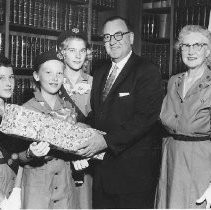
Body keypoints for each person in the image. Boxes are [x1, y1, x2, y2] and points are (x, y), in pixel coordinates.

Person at [75, 16, 163, 209]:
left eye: (118, 35)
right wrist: (85, 125)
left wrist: (106, 140)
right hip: (102, 173)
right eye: (107, 37)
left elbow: (145, 118)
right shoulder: (100, 71)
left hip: (133, 176)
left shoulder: (147, 71)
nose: (112, 41)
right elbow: (99, 113)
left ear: (130, 38)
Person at [155, 25, 211, 209]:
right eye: (185, 46)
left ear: (208, 50)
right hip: (170, 159)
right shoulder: (173, 81)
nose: (191, 51)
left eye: (198, 45)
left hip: (201, 163)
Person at [20, 49, 78, 209]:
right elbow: (17, 156)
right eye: (48, 72)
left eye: (59, 73)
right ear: (37, 76)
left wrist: (80, 157)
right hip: (37, 189)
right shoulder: (26, 110)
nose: (55, 78)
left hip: (64, 188)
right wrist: (30, 153)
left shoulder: (69, 109)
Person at [0, 55, 50, 209]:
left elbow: (19, 157)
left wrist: (16, 192)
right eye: (1, 78)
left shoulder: (14, 113)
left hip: (16, 186)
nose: (8, 83)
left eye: (11, 77)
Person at [57, 28, 93, 209]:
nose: (78, 56)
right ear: (62, 52)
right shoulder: (53, 81)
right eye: (72, 50)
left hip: (87, 157)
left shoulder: (95, 82)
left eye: (82, 50)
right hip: (58, 157)